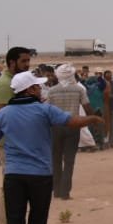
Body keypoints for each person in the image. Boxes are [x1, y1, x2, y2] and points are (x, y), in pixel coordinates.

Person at [0, 70, 102, 224]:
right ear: (29, 90)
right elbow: (71, 122)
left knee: (15, 219)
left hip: (14, 174)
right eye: (37, 86)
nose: (40, 89)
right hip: (40, 174)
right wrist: (91, 119)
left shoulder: (3, 114)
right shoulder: (44, 110)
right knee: (38, 218)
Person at [0, 47, 33, 224]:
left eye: (28, 61)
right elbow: (1, 116)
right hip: (8, 143)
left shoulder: (15, 83)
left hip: (15, 143)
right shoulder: (5, 84)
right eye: (23, 61)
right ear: (11, 62)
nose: (27, 65)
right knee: (10, 187)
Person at [45, 64, 90, 199]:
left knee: (56, 159)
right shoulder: (78, 89)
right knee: (69, 161)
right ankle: (65, 192)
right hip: (72, 126)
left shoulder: (52, 91)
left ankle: (57, 190)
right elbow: (87, 107)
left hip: (56, 127)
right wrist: (93, 119)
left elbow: (47, 110)